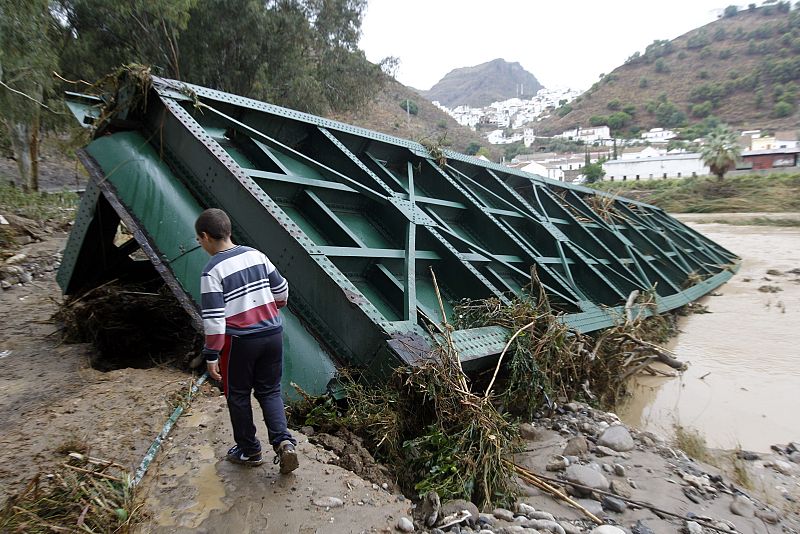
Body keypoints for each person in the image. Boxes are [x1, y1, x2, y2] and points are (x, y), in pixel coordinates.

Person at [194, 208, 298, 474]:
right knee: (270, 390)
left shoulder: (212, 271)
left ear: (205, 237)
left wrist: (211, 354)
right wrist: (272, 308)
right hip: (272, 333)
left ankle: (249, 450)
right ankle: (284, 442)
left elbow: (215, 319)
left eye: (199, 240)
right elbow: (282, 289)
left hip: (241, 340)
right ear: (228, 231)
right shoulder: (256, 255)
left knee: (238, 395)